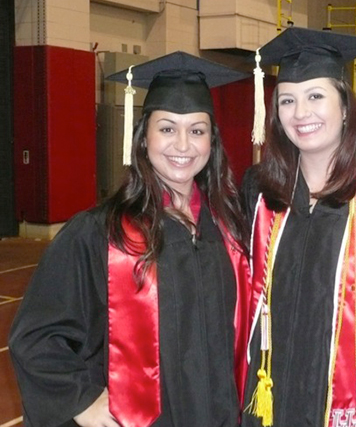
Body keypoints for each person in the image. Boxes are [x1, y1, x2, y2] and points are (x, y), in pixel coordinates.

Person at [9, 51, 252, 427]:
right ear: (143, 136)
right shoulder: (98, 233)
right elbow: (37, 335)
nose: (183, 145)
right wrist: (81, 401)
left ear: (212, 141)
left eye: (197, 130)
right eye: (167, 128)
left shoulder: (231, 228)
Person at [240, 27, 356, 427]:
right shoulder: (258, 192)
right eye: (287, 100)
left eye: (315, 96)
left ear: (344, 106)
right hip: (269, 398)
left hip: (353, 408)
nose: (300, 113)